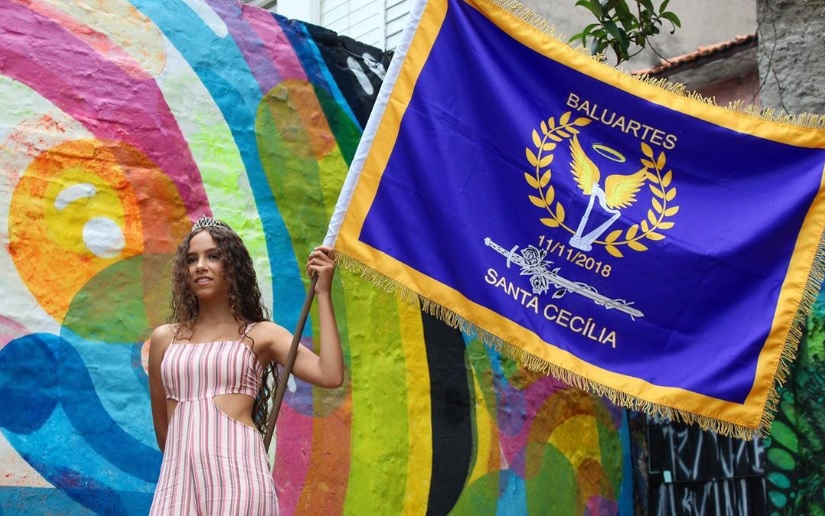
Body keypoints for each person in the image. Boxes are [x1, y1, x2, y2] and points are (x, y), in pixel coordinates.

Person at [147, 215, 344, 515]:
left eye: (213, 256)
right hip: (178, 481)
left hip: (239, 478)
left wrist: (324, 294)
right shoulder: (165, 339)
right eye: (192, 259)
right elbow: (165, 435)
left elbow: (329, 374)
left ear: (233, 267)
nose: (200, 265)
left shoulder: (260, 334)